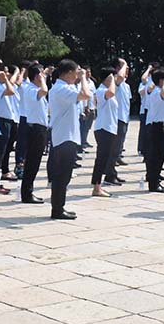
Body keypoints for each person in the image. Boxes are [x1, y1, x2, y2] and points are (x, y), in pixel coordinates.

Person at [47, 60, 91, 219]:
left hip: (67, 135)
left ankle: (59, 206)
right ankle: (57, 209)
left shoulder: (65, 87)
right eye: (76, 72)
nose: (78, 75)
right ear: (69, 72)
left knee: (65, 174)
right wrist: (84, 78)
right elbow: (86, 95)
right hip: (64, 137)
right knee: (62, 175)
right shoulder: (61, 88)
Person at [0, 63, 20, 195]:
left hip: (7, 120)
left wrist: (6, 80)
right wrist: (5, 80)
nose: (8, 74)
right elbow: (11, 91)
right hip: (0, 120)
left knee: (3, 152)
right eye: (5, 72)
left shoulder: (1, 85)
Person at [19, 63, 50, 204]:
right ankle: (27, 193)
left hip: (40, 128)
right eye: (41, 73)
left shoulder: (35, 89)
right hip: (35, 129)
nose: (44, 76)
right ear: (37, 76)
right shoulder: (30, 89)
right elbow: (44, 90)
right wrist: (42, 79)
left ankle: (28, 191)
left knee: (35, 162)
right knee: (32, 162)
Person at [142, 67, 164, 193]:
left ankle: (154, 180)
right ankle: (154, 183)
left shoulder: (152, 90)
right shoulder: (157, 92)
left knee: (157, 155)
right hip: (160, 126)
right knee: (157, 156)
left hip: (160, 125)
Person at [90, 65, 121, 198]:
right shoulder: (101, 91)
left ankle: (98, 185)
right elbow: (111, 93)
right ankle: (96, 187)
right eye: (113, 76)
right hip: (103, 128)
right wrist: (112, 80)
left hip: (110, 128)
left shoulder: (106, 90)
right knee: (101, 159)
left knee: (105, 159)